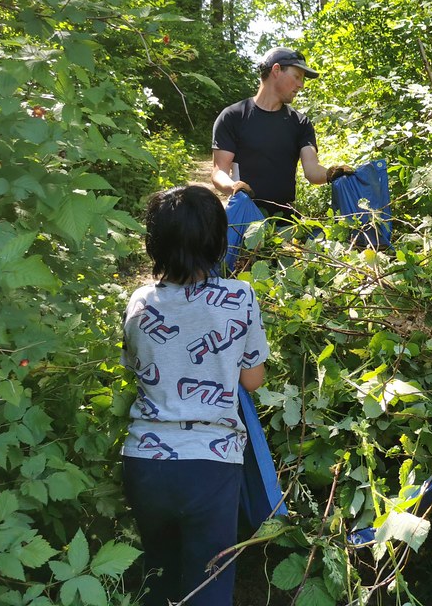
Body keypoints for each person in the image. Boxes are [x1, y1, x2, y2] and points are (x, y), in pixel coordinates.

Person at [121, 185, 269, 606]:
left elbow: (135, 367)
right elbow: (252, 380)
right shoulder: (240, 297)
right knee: (208, 584)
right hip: (211, 463)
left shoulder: (140, 300)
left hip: (145, 462)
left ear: (155, 243)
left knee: (157, 575)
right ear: (219, 241)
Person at [211, 46, 354, 222]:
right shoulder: (233, 117)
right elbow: (219, 172)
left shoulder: (300, 123)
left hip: (285, 222)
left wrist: (331, 173)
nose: (301, 85)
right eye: (297, 77)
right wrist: (234, 186)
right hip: (242, 218)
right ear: (276, 70)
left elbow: (311, 170)